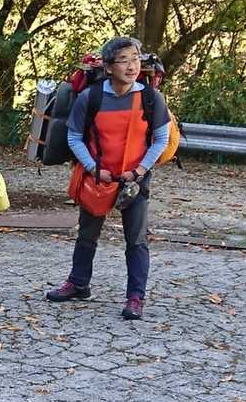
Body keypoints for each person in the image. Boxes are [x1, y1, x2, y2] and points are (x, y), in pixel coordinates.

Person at [46, 37, 171, 320]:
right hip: (99, 177)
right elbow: (74, 137)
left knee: (136, 239)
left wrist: (139, 171)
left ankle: (135, 297)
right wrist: (94, 169)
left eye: (135, 59)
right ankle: (78, 284)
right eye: (124, 61)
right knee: (87, 233)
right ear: (109, 67)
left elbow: (161, 139)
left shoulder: (150, 98)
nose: (131, 66)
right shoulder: (91, 97)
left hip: (135, 179)